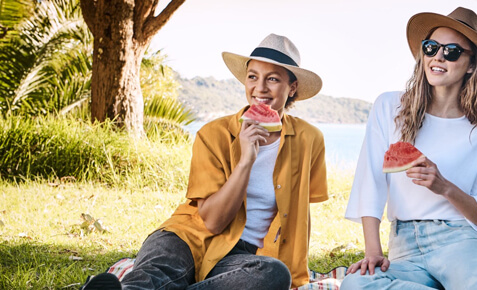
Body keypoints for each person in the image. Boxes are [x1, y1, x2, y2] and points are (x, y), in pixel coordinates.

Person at [81, 33, 328, 290]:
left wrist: (297, 273)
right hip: (188, 237)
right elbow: (212, 222)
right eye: (252, 76)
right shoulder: (213, 134)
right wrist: (245, 161)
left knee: (275, 274)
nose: (260, 88)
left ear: (293, 87)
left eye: (273, 79)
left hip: (244, 258)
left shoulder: (309, 139)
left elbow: (300, 214)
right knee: (157, 273)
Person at [341, 7, 477, 290]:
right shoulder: (388, 107)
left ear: (471, 65)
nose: (439, 57)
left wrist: (445, 187)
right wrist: (373, 251)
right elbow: (369, 180)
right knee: (355, 285)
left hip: (462, 243)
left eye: (453, 51)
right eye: (431, 47)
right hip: (405, 246)